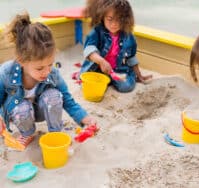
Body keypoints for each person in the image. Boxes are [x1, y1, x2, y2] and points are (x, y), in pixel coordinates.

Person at [0, 12, 96, 148]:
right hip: (19, 113)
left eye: (50, 64)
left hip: (41, 110)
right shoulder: (6, 72)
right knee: (22, 108)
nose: (46, 72)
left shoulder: (53, 74)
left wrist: (85, 118)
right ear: (22, 61)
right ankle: (27, 133)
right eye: (39, 68)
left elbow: (68, 100)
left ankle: (55, 132)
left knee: (54, 96)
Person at [79, 0, 152, 92]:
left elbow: (131, 58)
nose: (114, 24)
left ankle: (121, 78)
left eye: (119, 19)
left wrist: (139, 75)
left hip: (117, 69)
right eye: (110, 19)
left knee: (126, 87)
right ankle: (109, 80)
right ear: (102, 17)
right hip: (97, 68)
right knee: (88, 85)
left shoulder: (129, 37)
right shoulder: (97, 32)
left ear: (125, 19)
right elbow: (89, 51)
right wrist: (101, 61)